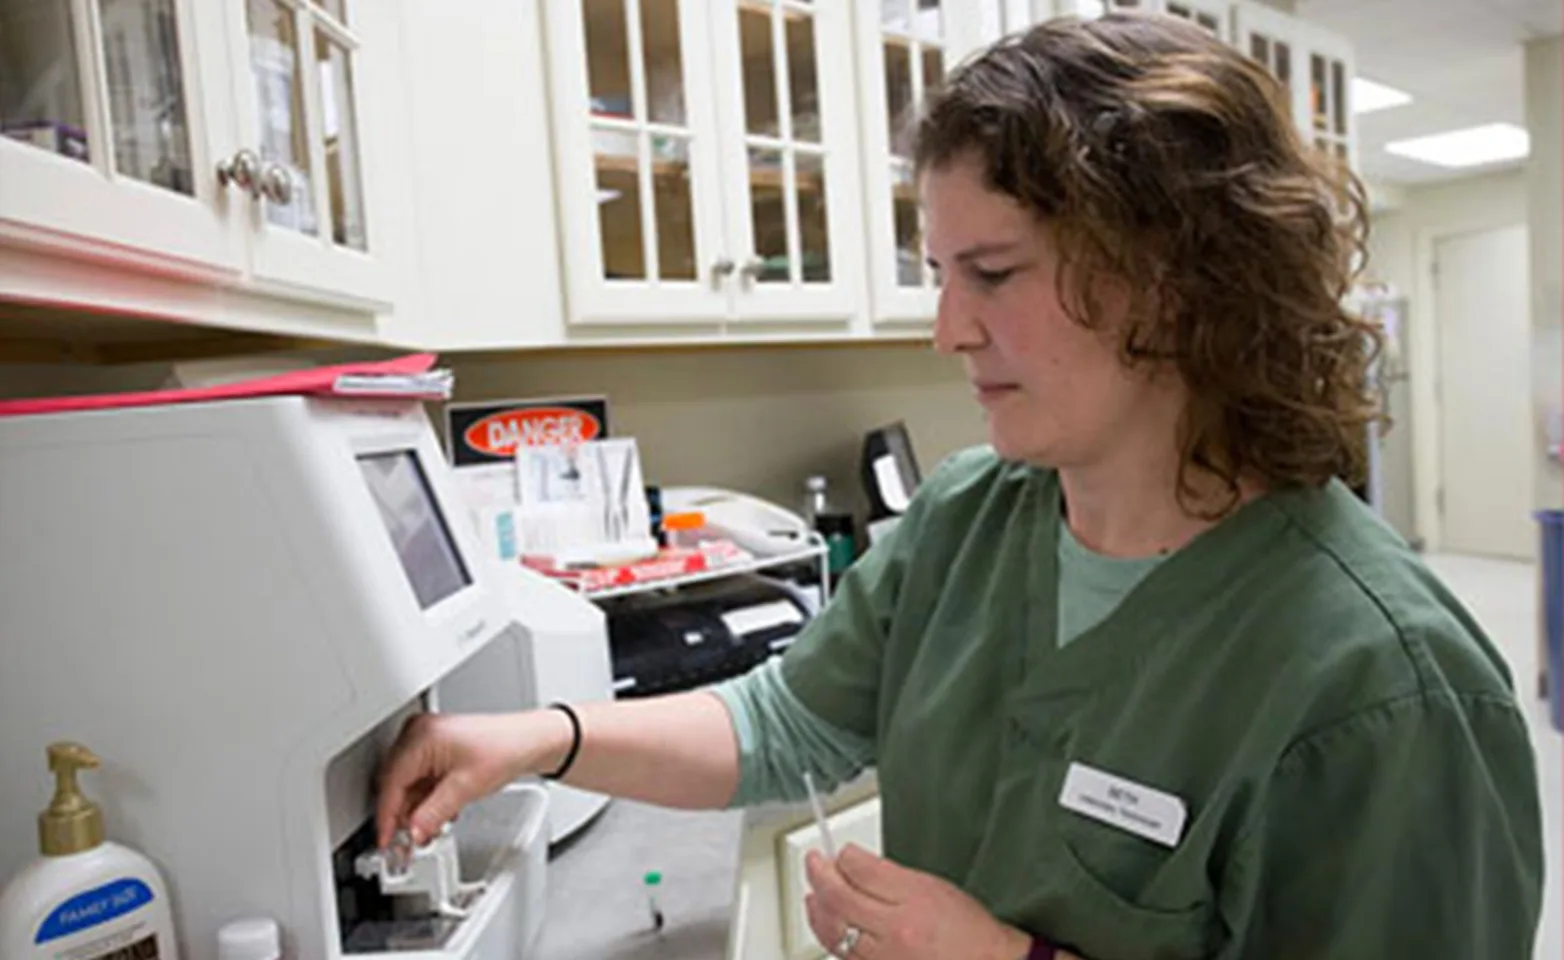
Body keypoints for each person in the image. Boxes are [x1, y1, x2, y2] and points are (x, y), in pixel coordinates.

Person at [377, 12, 1545, 959]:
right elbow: (785, 724)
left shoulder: (1385, 687)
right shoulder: (971, 516)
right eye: (939, 273)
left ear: (1182, 277)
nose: (945, 330)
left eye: (991, 273)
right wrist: (539, 737)